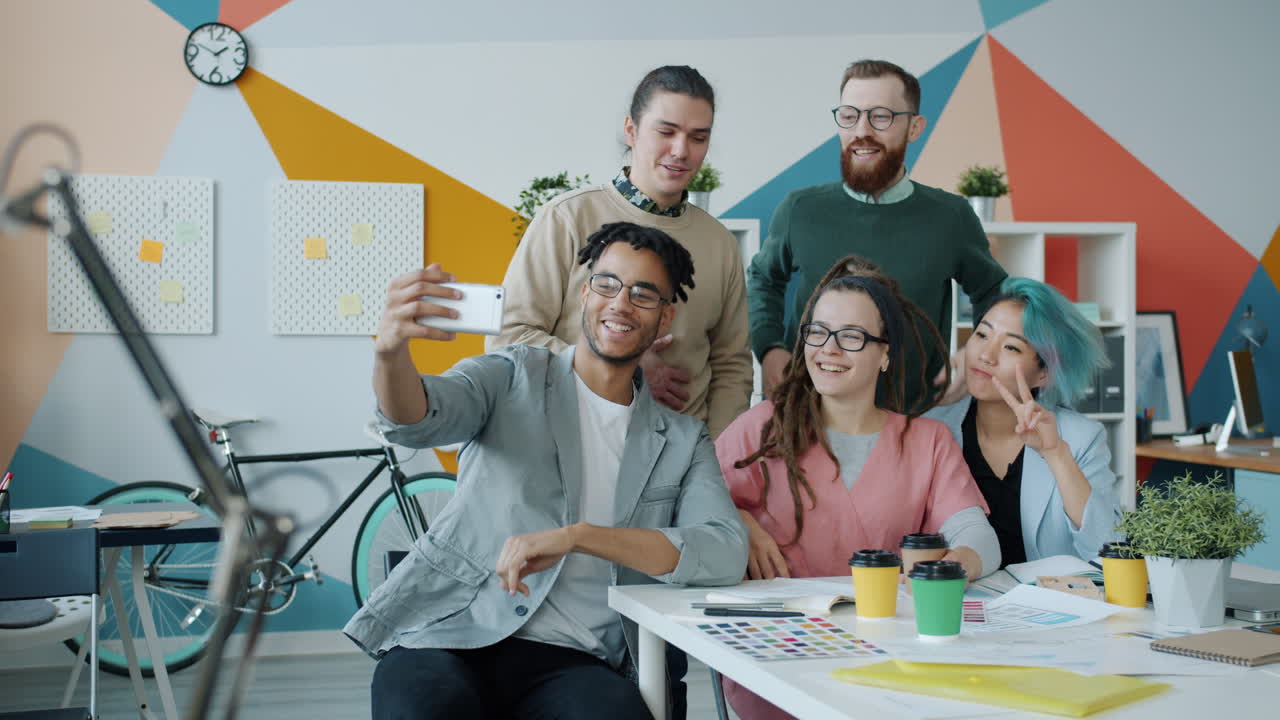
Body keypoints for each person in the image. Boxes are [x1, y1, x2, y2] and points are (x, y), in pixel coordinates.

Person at [349, 222, 748, 720]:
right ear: (585, 294)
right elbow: (418, 417)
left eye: (643, 294)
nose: (621, 303)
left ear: (666, 315)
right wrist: (389, 354)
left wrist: (579, 536)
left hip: (578, 663)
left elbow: (724, 550)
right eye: (607, 284)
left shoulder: (684, 440)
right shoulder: (510, 374)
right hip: (451, 633)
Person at [716, 256, 1000, 720]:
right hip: (780, 659)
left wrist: (950, 568)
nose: (828, 349)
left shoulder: (927, 441)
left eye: (851, 337)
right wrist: (737, 520)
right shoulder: (761, 428)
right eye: (818, 332)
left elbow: (977, 534)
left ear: (885, 353)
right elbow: (693, 507)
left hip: (890, 660)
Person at [491, 65, 752, 439]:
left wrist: (716, 459)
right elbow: (508, 335)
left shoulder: (721, 244)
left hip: (679, 467)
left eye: (698, 137)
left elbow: (732, 366)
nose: (681, 151)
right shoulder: (567, 218)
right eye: (666, 132)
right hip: (568, 449)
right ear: (631, 130)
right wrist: (614, 360)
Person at [748, 58, 1007, 410]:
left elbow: (996, 293)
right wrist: (769, 348)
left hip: (914, 418)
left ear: (914, 128)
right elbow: (762, 280)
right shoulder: (799, 210)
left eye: (880, 116)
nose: (861, 131)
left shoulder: (951, 216)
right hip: (805, 415)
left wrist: (975, 352)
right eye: (850, 115)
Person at [925, 277, 1121, 565]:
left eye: (1011, 348)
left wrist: (1056, 455)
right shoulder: (933, 430)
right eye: (981, 335)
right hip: (957, 595)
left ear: (1044, 373)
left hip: (1047, 603)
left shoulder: (1081, 438)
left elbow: (1109, 551)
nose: (986, 356)